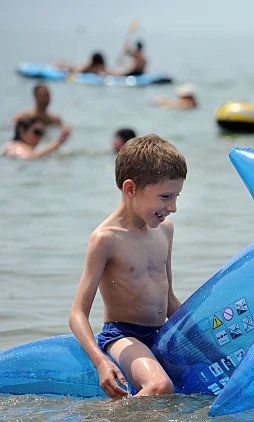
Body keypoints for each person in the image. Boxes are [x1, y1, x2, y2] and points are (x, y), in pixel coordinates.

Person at [69, 134, 187, 398]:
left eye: (177, 196)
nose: (173, 207)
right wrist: (101, 362)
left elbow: (169, 302)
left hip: (161, 334)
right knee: (159, 386)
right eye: (165, 196)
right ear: (130, 189)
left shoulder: (165, 231)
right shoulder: (106, 239)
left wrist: (206, 339)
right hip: (122, 336)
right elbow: (77, 314)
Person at [2, 117, 72, 159]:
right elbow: (30, 157)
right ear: (21, 129)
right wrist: (58, 142)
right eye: (37, 132)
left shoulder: (11, 145)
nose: (39, 137)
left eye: (42, 133)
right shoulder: (16, 146)